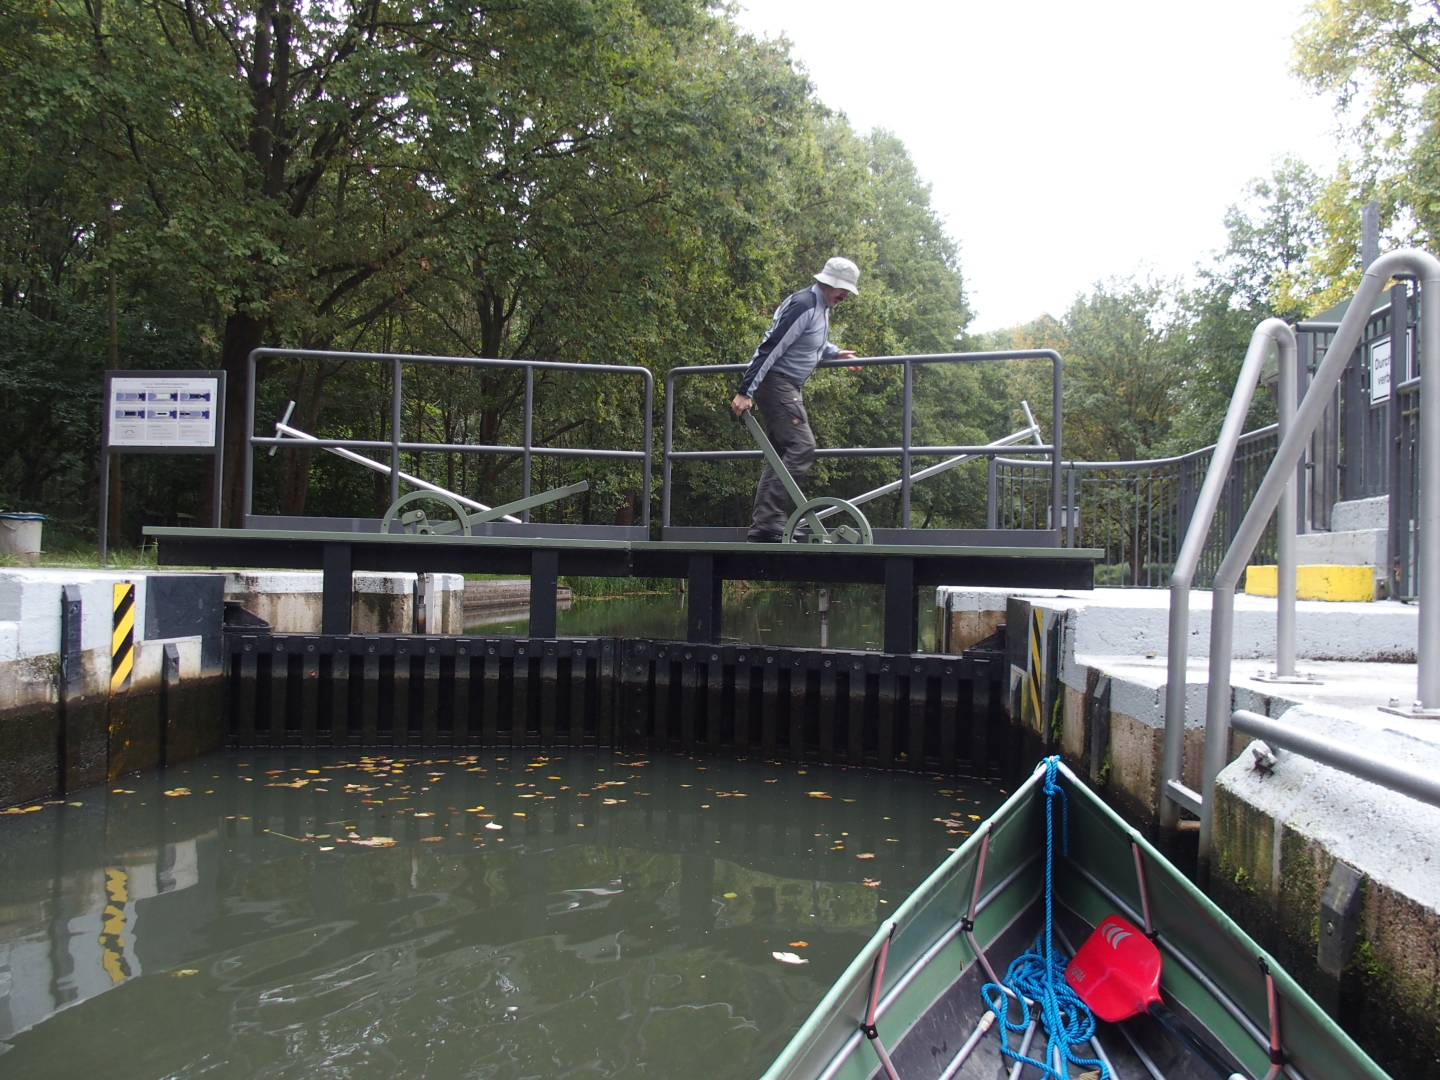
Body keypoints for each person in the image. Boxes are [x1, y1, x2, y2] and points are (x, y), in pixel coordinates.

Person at [730, 257, 861, 542]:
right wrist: (745, 391)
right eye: (843, 290)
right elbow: (771, 347)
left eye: (848, 291)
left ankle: (765, 524)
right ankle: (770, 520)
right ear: (829, 283)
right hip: (778, 383)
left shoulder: (820, 306)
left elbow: (811, 341)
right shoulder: (805, 305)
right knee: (802, 445)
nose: (846, 296)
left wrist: (834, 352)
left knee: (778, 455)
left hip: (784, 384)